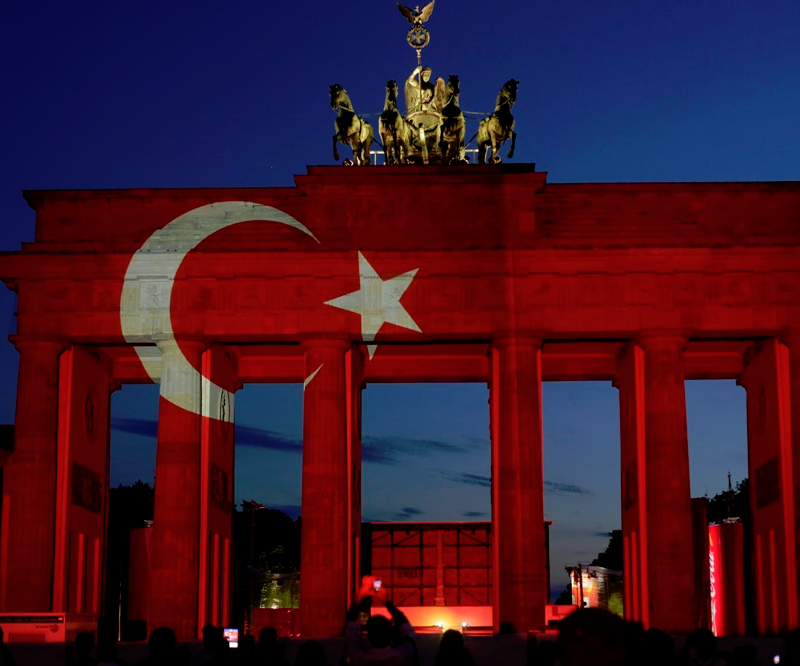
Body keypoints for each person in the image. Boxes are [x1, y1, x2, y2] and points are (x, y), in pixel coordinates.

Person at [344, 576, 417, 666]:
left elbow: (350, 626)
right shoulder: (403, 656)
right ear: (390, 634)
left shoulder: (359, 658)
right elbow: (406, 628)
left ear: (369, 636)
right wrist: (387, 602)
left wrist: (360, 595)